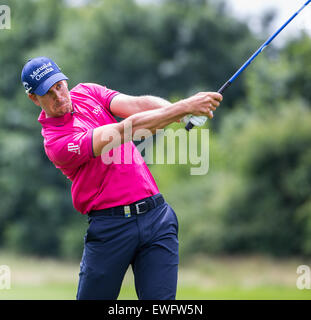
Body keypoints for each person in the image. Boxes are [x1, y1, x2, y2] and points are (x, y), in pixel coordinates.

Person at [21, 56, 222, 300]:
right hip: (110, 229)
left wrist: (179, 114)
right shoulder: (56, 142)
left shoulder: (87, 92)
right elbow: (124, 130)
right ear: (34, 98)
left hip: (157, 217)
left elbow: (138, 105)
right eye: (48, 93)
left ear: (65, 81)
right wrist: (184, 106)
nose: (59, 96)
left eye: (59, 86)